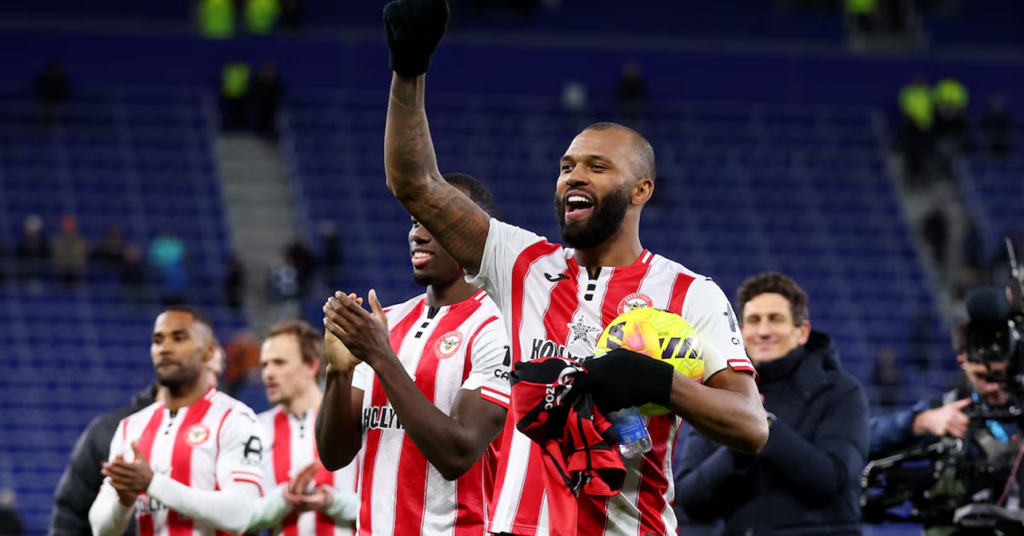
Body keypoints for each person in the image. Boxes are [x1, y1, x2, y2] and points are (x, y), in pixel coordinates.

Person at [376, 2, 768, 534]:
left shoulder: (688, 294)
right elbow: (416, 185)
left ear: (641, 190)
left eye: (596, 166)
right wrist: (409, 71)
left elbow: (751, 427)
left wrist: (659, 382)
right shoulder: (522, 264)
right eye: (566, 167)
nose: (573, 176)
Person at [316, 173, 512, 535]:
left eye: (434, 222)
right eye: (414, 221)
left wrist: (379, 355)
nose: (417, 234)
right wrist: (338, 373)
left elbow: (457, 454)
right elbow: (335, 456)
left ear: (478, 232)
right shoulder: (386, 321)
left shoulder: (498, 327)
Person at [677, 272, 869, 535]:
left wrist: (763, 426)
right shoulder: (720, 394)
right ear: (741, 333)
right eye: (754, 321)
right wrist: (738, 443)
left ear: (802, 332)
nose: (764, 331)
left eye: (776, 319)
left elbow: (830, 481)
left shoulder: (841, 392)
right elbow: (690, 500)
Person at [88, 306, 267, 536]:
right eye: (158, 340)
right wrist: (123, 502)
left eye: (179, 338)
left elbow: (239, 515)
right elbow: (101, 530)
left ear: (208, 351)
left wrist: (153, 484)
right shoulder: (131, 428)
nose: (165, 348)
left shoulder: (235, 419)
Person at [247, 320, 358, 535]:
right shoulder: (254, 428)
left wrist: (332, 501)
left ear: (311, 366)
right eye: (264, 364)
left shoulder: (351, 419)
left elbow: (381, 507)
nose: (267, 373)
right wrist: (284, 498)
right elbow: (242, 518)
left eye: (279, 363)